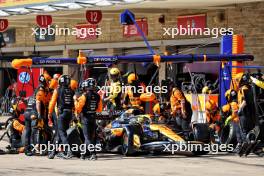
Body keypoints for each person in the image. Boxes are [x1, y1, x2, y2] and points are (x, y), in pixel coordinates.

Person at [74, 78, 102, 160]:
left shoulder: (84, 96)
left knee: (87, 137)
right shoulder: (98, 96)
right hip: (93, 117)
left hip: (85, 118)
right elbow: (99, 109)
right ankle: (83, 154)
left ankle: (93, 154)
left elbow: (78, 108)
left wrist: (76, 100)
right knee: (90, 136)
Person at [48, 75, 75, 159]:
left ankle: (68, 150)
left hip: (62, 113)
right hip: (69, 113)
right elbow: (74, 103)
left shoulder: (58, 90)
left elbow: (52, 102)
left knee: (61, 133)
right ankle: (53, 153)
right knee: (61, 134)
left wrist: (49, 113)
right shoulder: (71, 91)